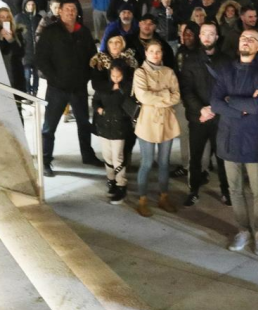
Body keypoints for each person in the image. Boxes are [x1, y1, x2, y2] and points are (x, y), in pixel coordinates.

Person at [212, 30, 258, 255]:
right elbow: (215, 103)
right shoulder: (226, 69)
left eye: (251, 39)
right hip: (229, 137)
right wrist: (241, 108)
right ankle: (243, 229)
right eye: (243, 38)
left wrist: (229, 100)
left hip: (254, 138)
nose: (246, 41)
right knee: (235, 189)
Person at [37, 2, 102, 176]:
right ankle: (45, 160)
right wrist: (54, 78)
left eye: (73, 9)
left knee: (84, 123)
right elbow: (41, 58)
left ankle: (88, 155)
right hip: (57, 89)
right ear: (59, 11)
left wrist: (87, 76)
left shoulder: (83, 31)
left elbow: (92, 57)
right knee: (49, 127)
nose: (71, 12)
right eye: (67, 9)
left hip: (78, 88)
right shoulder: (51, 32)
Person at [178, 23, 231, 206]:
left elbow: (229, 88)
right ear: (199, 36)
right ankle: (193, 190)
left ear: (217, 37)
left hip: (219, 117)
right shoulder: (190, 60)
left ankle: (226, 190)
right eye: (204, 33)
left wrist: (214, 109)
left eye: (211, 33)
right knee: (195, 156)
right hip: (197, 117)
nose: (207, 37)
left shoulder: (226, 60)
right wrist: (201, 109)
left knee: (222, 156)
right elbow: (186, 89)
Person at [133, 40, 182, 217]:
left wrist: (156, 96)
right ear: (146, 53)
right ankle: (142, 200)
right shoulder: (140, 72)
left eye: (158, 51)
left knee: (164, 162)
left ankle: (164, 197)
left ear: (162, 54)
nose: (155, 54)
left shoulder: (169, 72)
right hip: (147, 122)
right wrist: (165, 94)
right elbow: (143, 96)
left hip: (167, 122)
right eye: (152, 51)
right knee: (146, 162)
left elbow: (177, 96)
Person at [93, 63, 134, 205]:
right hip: (104, 126)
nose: (116, 78)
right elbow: (95, 101)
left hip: (119, 127)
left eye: (119, 76)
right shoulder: (104, 87)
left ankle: (121, 184)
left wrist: (116, 113)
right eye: (113, 75)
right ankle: (111, 180)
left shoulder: (127, 88)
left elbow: (130, 108)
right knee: (107, 155)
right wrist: (100, 110)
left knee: (118, 157)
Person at [16, 0, 41, 96]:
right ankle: (27, 92)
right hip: (25, 51)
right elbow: (16, 33)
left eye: (33, 4)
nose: (31, 7)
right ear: (25, 5)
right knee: (26, 74)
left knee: (36, 74)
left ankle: (34, 92)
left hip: (37, 51)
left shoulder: (38, 18)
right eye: (29, 4)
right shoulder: (20, 17)